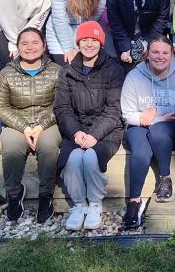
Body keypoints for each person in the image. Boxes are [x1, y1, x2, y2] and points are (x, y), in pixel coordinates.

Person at [54, 21, 125, 231]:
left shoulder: (114, 69)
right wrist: (76, 132)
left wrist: (94, 135)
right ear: (78, 42)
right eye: (84, 40)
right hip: (76, 129)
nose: (89, 44)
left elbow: (114, 109)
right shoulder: (66, 72)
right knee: (73, 158)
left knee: (92, 156)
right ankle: (78, 204)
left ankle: (94, 203)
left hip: (106, 131)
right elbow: (63, 108)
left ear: (101, 43)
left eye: (94, 40)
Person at [0, 27, 61, 223]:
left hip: (48, 122)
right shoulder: (6, 74)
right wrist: (24, 127)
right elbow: (0, 106)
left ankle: (46, 196)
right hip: (16, 123)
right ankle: (14, 195)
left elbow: (62, 104)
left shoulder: (57, 72)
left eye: (35, 42)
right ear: (17, 47)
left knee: (48, 147)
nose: (30, 47)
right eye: (24, 43)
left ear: (44, 46)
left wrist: (40, 126)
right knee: (11, 148)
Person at [119, 36, 175, 229]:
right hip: (138, 126)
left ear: (172, 55)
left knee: (158, 131)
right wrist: (159, 116)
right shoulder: (134, 76)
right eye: (155, 52)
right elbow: (127, 114)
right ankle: (134, 202)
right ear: (147, 55)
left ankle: (165, 178)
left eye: (165, 52)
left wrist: (156, 115)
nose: (160, 56)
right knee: (140, 152)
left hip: (171, 129)